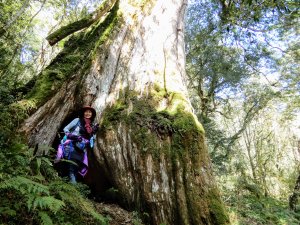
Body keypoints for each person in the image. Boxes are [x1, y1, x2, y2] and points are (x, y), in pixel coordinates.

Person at [55, 106, 99, 184]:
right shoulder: (77, 120)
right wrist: (72, 136)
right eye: (86, 111)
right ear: (83, 113)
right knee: (70, 167)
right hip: (71, 146)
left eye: (90, 112)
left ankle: (68, 184)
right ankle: (72, 186)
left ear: (92, 114)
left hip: (81, 150)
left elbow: (92, 143)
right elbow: (65, 129)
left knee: (75, 168)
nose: (88, 113)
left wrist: (93, 132)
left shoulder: (91, 126)